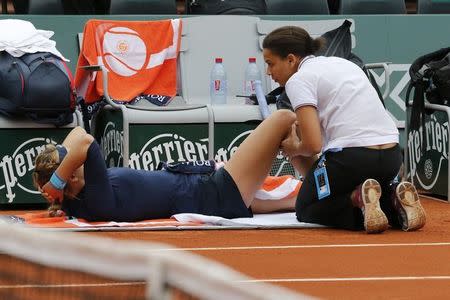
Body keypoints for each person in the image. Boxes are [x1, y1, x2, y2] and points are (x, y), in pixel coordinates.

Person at [262, 25, 426, 233]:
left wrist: (293, 148)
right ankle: (393, 200)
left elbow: (312, 145)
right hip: (392, 156)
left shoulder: (298, 80)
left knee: (306, 208)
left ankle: (356, 198)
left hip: (351, 159)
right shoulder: (344, 63)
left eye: (270, 64)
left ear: (291, 59)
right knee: (354, 185)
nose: (269, 72)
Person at [32, 111, 297, 222]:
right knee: (283, 118)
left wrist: (57, 184)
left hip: (209, 184)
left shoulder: (78, 196)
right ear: (72, 180)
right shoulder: (96, 199)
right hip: (216, 193)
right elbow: (84, 139)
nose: (74, 163)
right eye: (72, 166)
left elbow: (76, 134)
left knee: (305, 200)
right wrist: (57, 181)